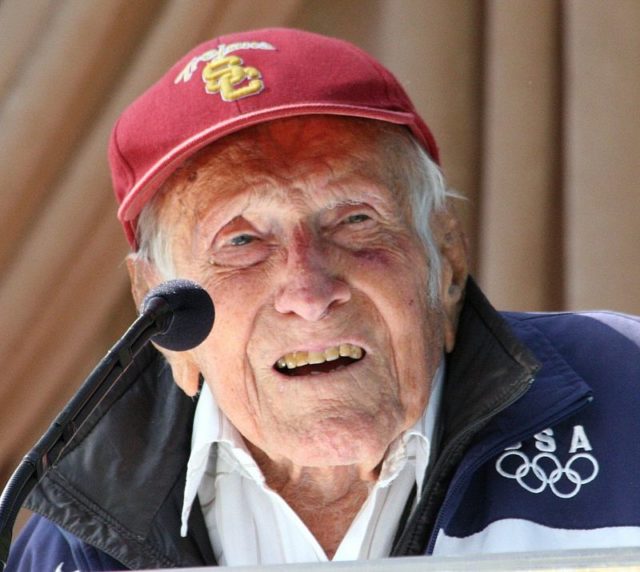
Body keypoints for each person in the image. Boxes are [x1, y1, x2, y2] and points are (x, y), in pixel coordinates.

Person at [6, 27, 640, 571]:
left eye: (355, 220)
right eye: (243, 239)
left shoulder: (628, 396)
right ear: (158, 304)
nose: (309, 292)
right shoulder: (81, 530)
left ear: (447, 259)